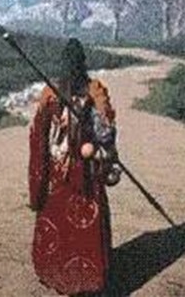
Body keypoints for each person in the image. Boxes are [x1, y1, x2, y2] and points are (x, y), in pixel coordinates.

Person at [28, 38, 120, 296]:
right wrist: (102, 151)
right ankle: (86, 279)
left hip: (56, 174)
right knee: (84, 226)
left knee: (58, 223)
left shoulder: (49, 92)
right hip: (85, 173)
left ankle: (58, 274)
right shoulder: (95, 91)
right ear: (83, 63)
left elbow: (39, 136)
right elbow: (106, 133)